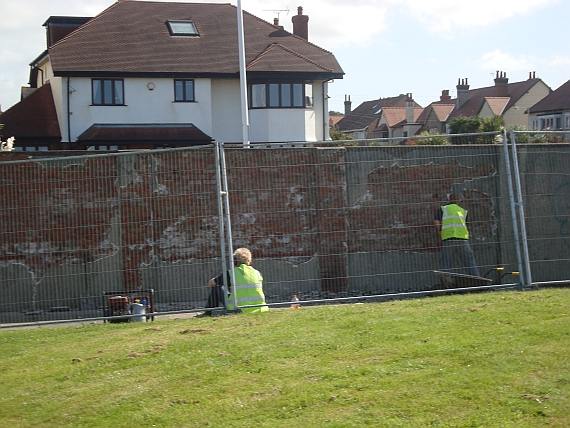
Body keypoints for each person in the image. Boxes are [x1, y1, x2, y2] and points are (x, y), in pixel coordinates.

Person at [197, 247, 268, 317]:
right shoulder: (257, 273)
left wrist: (216, 279)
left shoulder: (231, 273)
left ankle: (207, 313)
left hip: (238, 309)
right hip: (260, 308)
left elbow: (210, 284)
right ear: (250, 262)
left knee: (217, 287)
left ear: (234, 262)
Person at [434, 193, 480, 277]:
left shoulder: (443, 209)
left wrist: (440, 232)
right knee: (470, 262)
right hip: (462, 239)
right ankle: (478, 283)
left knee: (446, 263)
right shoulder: (463, 211)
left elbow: (437, 222)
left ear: (449, 200)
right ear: (459, 201)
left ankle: (447, 284)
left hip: (448, 239)